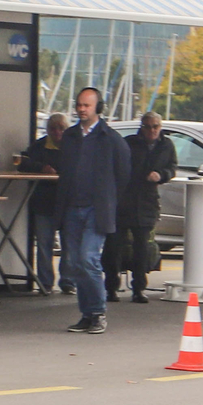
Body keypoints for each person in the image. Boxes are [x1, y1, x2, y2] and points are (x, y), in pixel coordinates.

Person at [55, 86, 131, 333]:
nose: (81, 109)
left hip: (96, 208)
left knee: (89, 258)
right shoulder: (69, 137)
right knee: (75, 262)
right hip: (72, 207)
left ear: (98, 108)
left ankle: (98, 312)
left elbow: (123, 174)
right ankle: (86, 314)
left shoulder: (111, 139)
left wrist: (109, 200)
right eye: (79, 105)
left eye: (87, 105)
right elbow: (64, 170)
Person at [106, 112, 175, 303]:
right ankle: (111, 287)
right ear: (141, 127)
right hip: (124, 201)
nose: (152, 130)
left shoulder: (166, 145)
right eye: (148, 126)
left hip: (147, 201)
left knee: (142, 248)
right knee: (114, 247)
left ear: (160, 127)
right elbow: (116, 166)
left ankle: (139, 289)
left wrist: (161, 175)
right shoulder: (129, 143)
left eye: (156, 126)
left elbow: (172, 167)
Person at [16, 113, 68, 295]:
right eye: (53, 128)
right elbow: (23, 163)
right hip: (43, 201)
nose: (57, 132)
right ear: (47, 130)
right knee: (45, 245)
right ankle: (45, 283)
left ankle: (68, 282)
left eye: (61, 128)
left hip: (67, 202)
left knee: (69, 244)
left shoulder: (74, 147)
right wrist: (41, 168)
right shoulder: (39, 146)